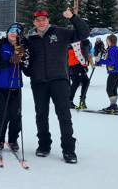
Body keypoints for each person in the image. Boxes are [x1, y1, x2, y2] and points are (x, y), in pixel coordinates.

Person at [25, 8, 89, 164]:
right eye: (38, 20)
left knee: (64, 115)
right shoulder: (29, 39)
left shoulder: (60, 33)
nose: (41, 22)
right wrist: (22, 65)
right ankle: (44, 145)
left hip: (59, 80)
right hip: (38, 82)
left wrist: (73, 17)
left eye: (43, 19)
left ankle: (69, 150)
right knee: (41, 115)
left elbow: (83, 34)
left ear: (48, 20)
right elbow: (27, 66)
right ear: (34, 22)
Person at [0, 23, 29, 151]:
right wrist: (11, 60)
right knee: (3, 114)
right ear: (7, 32)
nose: (14, 33)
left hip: (15, 85)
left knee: (16, 115)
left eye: (18, 31)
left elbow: (27, 69)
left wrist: (23, 58)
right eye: (12, 30)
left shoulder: (23, 46)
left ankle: (13, 140)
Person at [96, 34, 118, 114]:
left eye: (107, 40)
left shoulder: (112, 49)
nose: (106, 42)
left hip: (115, 71)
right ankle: (113, 106)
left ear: (110, 41)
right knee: (113, 89)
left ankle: (113, 106)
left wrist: (100, 61)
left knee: (109, 89)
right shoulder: (116, 48)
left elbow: (111, 62)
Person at [68, 39, 91, 109]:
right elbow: (78, 55)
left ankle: (82, 99)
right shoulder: (75, 42)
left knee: (86, 81)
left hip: (78, 64)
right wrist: (84, 65)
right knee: (76, 82)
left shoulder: (79, 41)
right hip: (75, 64)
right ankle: (69, 100)